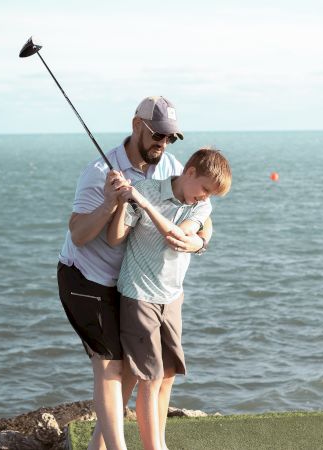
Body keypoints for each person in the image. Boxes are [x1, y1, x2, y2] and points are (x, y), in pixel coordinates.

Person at [57, 96, 212, 450]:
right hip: (88, 279)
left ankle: (99, 446)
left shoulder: (172, 166)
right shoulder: (99, 172)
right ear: (136, 125)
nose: (163, 142)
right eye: (157, 134)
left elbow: (203, 211)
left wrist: (200, 241)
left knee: (131, 369)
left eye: (170, 137)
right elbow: (79, 234)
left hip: (134, 284)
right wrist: (111, 202)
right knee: (111, 366)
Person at [106, 148, 231, 450]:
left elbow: (177, 238)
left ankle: (157, 442)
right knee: (150, 378)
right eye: (204, 188)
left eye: (210, 194)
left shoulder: (200, 207)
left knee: (168, 375)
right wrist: (125, 202)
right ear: (189, 172)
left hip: (172, 296)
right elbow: (114, 239)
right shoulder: (146, 189)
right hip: (139, 295)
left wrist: (146, 206)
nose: (204, 197)